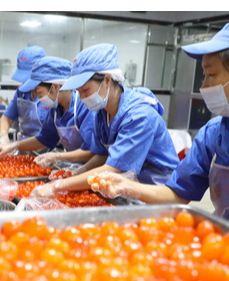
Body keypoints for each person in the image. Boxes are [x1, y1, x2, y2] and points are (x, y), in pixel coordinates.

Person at [90, 17, 229, 261]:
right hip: (227, 257)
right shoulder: (213, 133)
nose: (203, 86)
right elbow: (178, 194)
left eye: (211, 75)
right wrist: (129, 187)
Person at [31, 44, 179, 197]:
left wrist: (57, 186)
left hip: (157, 189)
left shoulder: (138, 116)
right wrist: (79, 171)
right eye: (79, 92)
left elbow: (114, 168)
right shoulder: (102, 112)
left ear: (107, 80)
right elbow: (101, 155)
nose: (82, 98)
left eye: (86, 90)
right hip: (127, 186)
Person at [0, 57, 97, 175]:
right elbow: (44, 139)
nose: (40, 98)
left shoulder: (85, 107)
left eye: (39, 93)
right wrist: (12, 146)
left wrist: (58, 156)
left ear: (55, 87)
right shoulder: (57, 109)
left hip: (92, 172)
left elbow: (92, 151)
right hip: (73, 169)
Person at [0, 46, 49, 144]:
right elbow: (6, 118)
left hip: (49, 149)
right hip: (24, 147)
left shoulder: (52, 94)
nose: (25, 82)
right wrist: (3, 136)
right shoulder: (22, 92)